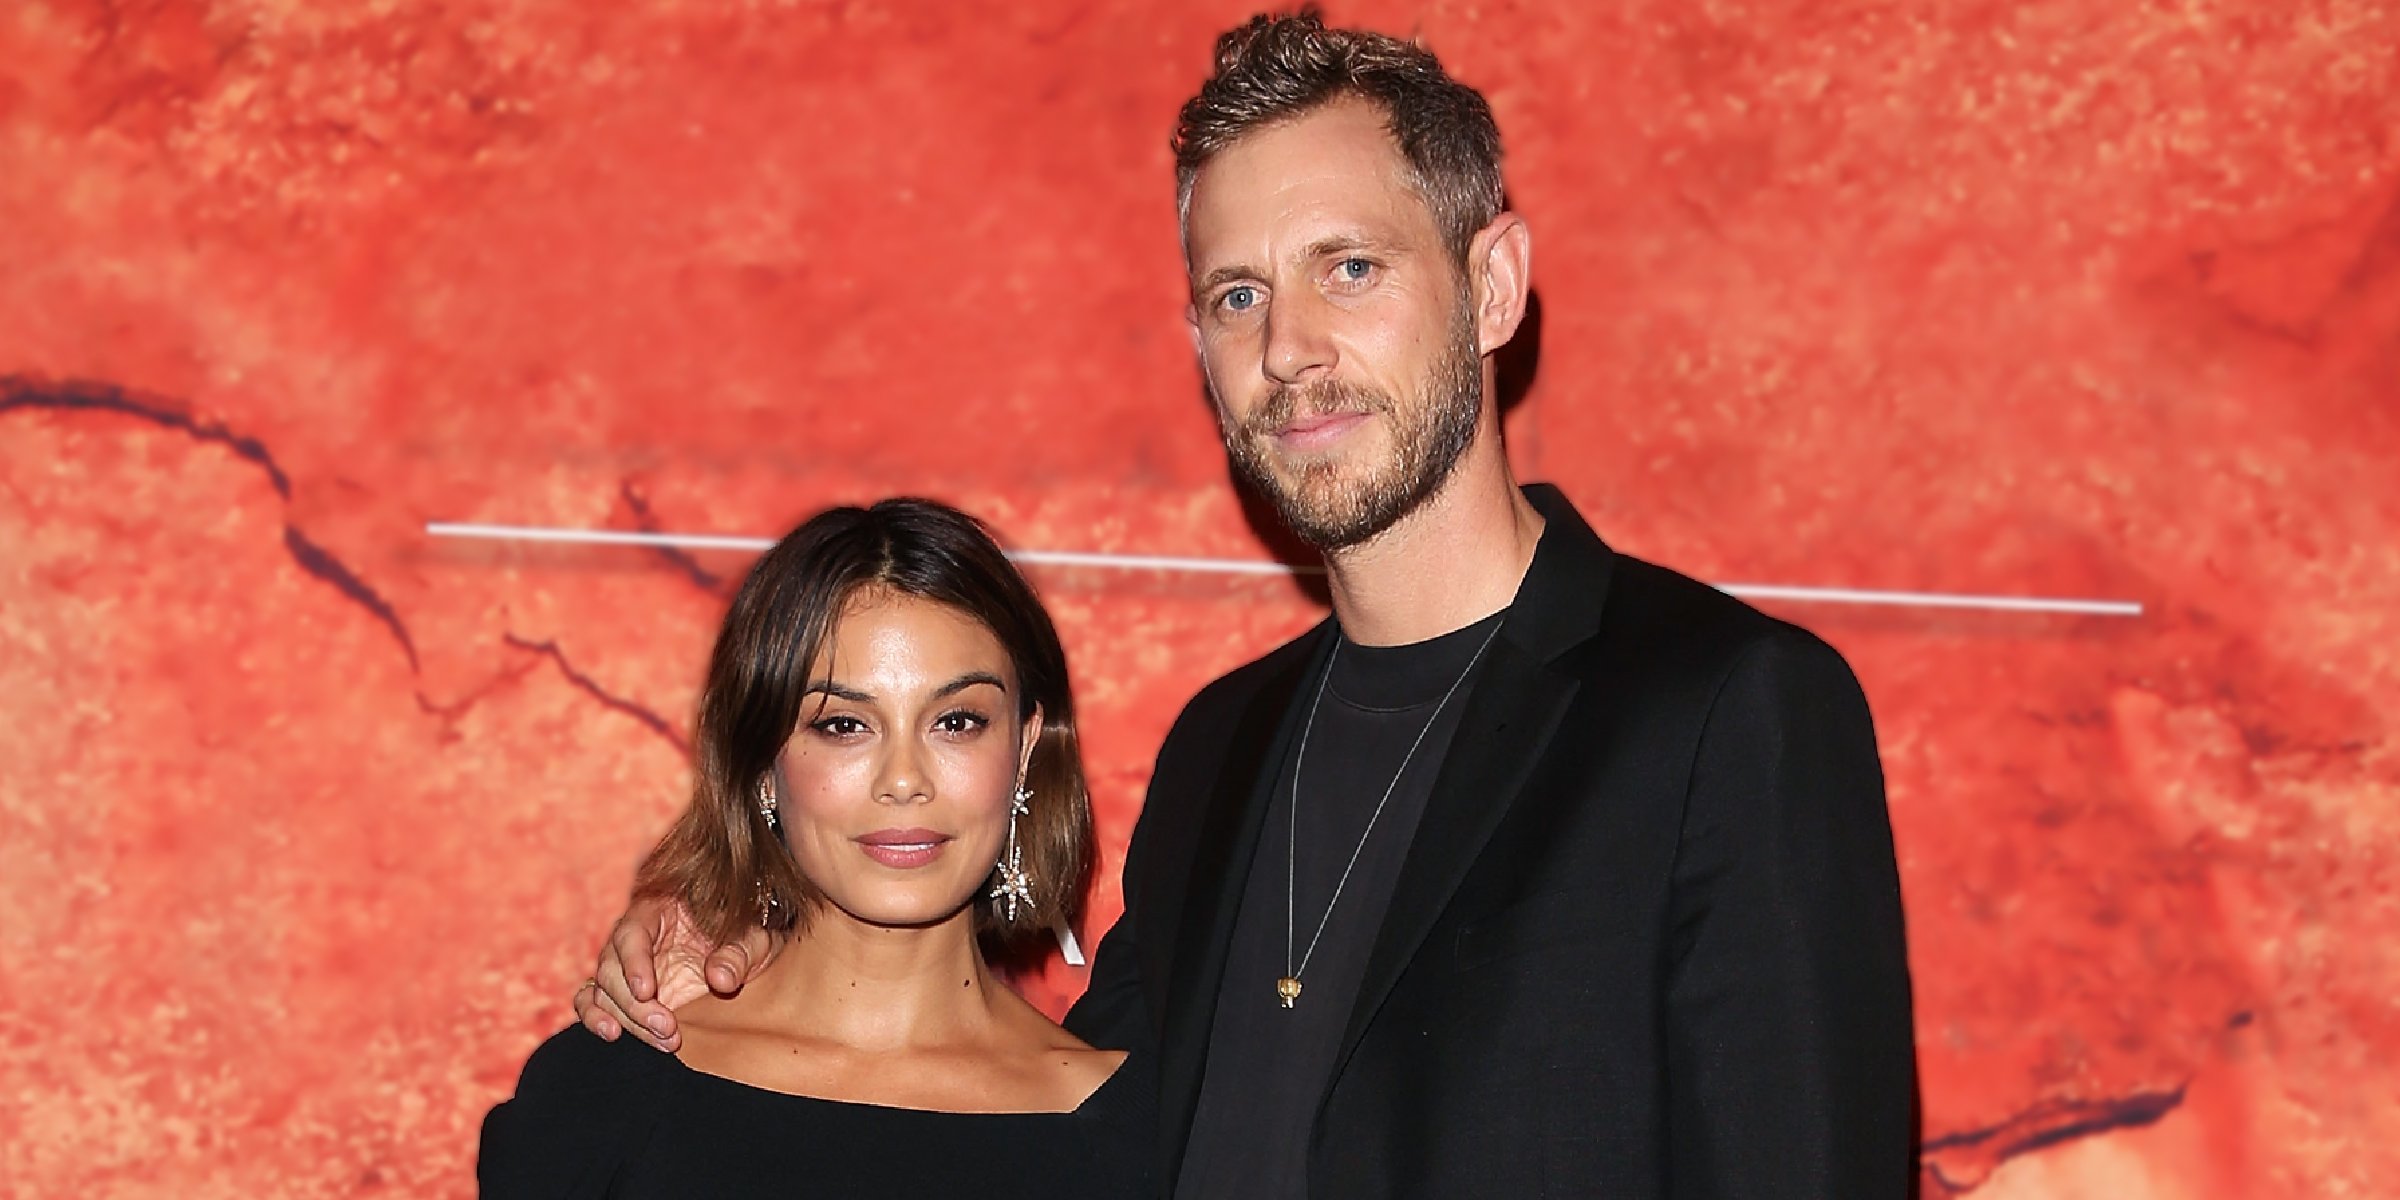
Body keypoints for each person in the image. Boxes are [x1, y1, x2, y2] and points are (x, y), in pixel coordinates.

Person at [576, 10, 1914, 1197]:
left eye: (1351, 269)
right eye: (1238, 295)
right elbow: (1057, 1117)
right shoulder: (1223, 745)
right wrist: (733, 954)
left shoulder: (1720, 713)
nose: (1289, 349)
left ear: (1491, 285)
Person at [481, 499, 1153, 1197]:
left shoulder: (1135, 1138)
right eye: (842, 725)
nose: (904, 780)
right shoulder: (609, 1096)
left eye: (956, 721)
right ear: (765, 762)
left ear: (1022, 750)